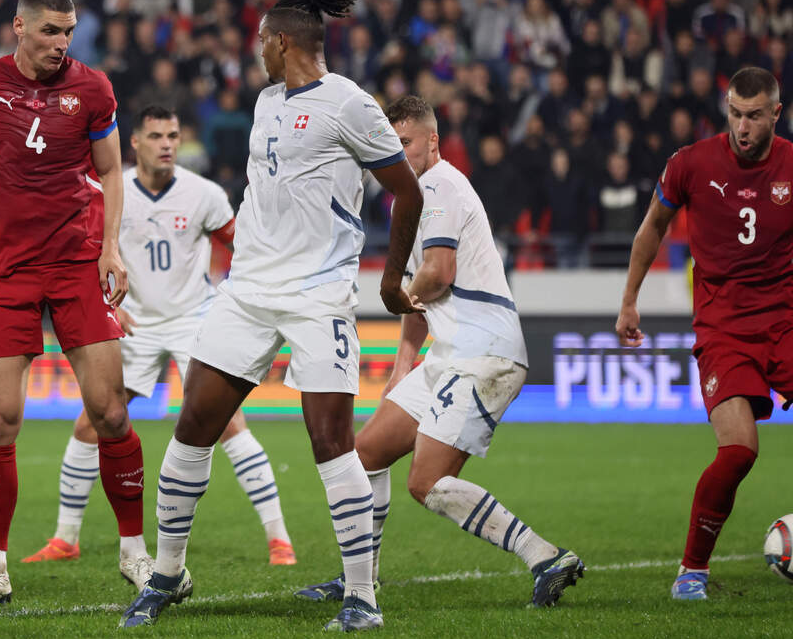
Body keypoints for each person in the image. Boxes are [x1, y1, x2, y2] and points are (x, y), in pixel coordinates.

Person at [119, 0, 424, 633]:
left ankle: (363, 600)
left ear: (281, 43)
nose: (253, 50)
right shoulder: (265, 102)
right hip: (248, 292)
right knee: (193, 426)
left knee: (330, 442)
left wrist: (392, 282)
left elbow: (407, 193)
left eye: (260, 40)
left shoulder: (350, 104)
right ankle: (167, 575)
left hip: (318, 296)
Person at [296, 96, 584, 610]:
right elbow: (417, 296)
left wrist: (393, 290)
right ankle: (361, 577)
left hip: (484, 353)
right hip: (447, 354)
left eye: (405, 143)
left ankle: (545, 556)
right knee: (364, 456)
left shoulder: (440, 185)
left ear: (432, 142)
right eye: (391, 146)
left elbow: (437, 274)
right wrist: (403, 366)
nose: (398, 155)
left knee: (426, 481)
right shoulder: (407, 198)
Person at [0, 0, 148, 611]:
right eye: (50, 31)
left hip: (75, 260)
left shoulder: (93, 88)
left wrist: (111, 247)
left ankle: (134, 551)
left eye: (69, 31)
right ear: (19, 28)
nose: (61, 44)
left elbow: (109, 171)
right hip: (7, 269)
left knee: (111, 413)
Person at [23, 106, 296, 568]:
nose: (167, 144)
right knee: (91, 423)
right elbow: (82, 253)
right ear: (135, 142)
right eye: (156, 136)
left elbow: (241, 248)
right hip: (135, 321)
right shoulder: (113, 192)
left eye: (173, 134)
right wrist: (108, 304)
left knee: (228, 422)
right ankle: (65, 537)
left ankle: (279, 538)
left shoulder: (203, 194)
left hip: (196, 320)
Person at [616, 67, 792, 601]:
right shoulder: (690, 164)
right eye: (735, 114)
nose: (743, 126)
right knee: (739, 451)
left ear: (775, 114)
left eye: (754, 116)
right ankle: (693, 570)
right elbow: (652, 227)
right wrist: (628, 301)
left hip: (786, 321)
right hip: (724, 329)